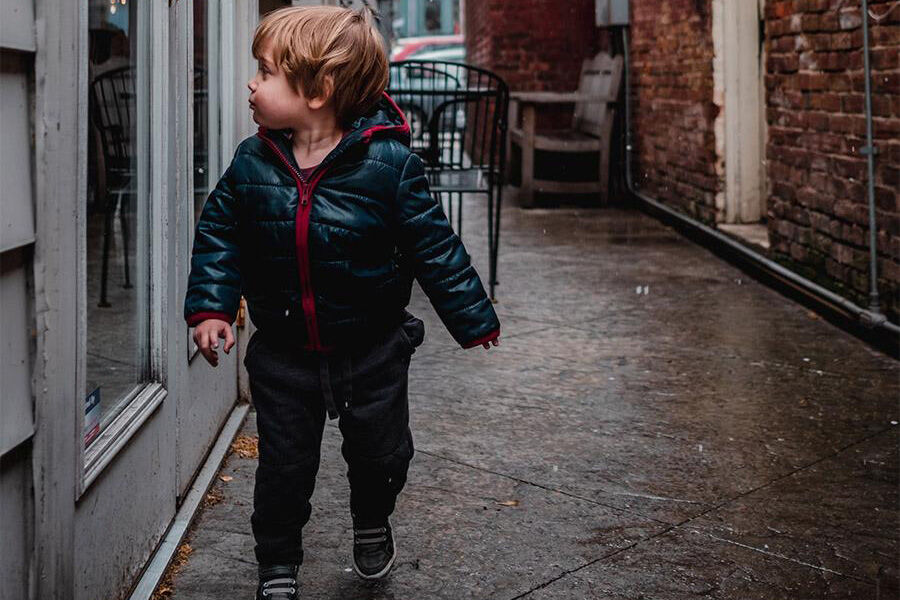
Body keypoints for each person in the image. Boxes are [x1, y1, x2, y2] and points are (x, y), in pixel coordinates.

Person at [182, 6, 500, 599]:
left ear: (319, 90)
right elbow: (219, 233)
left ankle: (373, 519)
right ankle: (277, 561)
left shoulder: (390, 166)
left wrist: (472, 317)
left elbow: (435, 245)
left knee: (383, 456)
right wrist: (210, 308)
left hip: (372, 347)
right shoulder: (253, 162)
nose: (252, 83)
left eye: (267, 71)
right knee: (284, 468)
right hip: (284, 353)